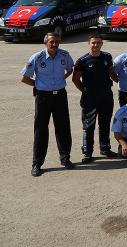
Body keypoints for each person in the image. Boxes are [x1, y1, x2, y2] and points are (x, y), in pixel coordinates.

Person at [22, 33, 75, 176]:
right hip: (43, 97)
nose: (55, 44)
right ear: (45, 43)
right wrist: (38, 85)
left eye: (57, 41)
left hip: (60, 95)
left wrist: (62, 78)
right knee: (40, 129)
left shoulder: (64, 55)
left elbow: (70, 69)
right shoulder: (37, 57)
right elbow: (25, 77)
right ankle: (37, 163)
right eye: (52, 42)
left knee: (63, 127)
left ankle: (65, 158)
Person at [72, 33, 117, 163]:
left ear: (102, 43)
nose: (96, 45)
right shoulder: (82, 61)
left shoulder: (107, 57)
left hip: (106, 95)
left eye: (98, 42)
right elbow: (75, 79)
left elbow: (111, 72)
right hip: (89, 97)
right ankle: (87, 151)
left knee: (105, 123)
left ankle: (105, 148)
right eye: (93, 43)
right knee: (88, 125)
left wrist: (120, 80)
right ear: (89, 44)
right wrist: (84, 90)